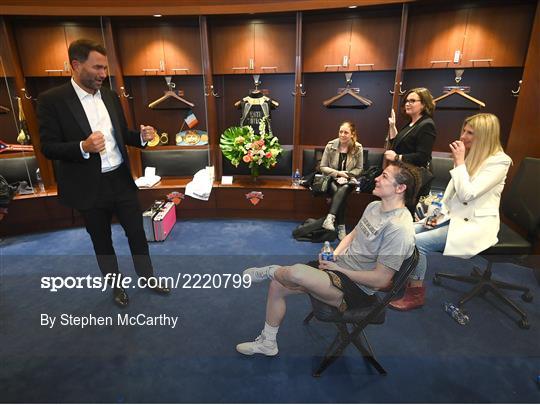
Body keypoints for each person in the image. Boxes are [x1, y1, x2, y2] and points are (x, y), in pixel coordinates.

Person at [38, 39, 170, 308]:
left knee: (136, 233)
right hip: (88, 186)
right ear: (76, 65)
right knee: (101, 240)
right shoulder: (52, 100)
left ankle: (147, 277)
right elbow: (48, 147)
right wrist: (82, 147)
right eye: (97, 67)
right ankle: (116, 287)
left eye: (105, 68)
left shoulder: (109, 95)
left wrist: (142, 137)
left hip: (120, 179)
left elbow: (120, 135)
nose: (103, 74)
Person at [236, 161, 418, 356]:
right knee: (277, 285)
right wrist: (334, 255)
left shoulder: (399, 228)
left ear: (400, 188)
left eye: (384, 176)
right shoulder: (374, 206)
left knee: (294, 272)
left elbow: (382, 280)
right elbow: (352, 235)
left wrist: (339, 269)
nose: (376, 178)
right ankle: (268, 344)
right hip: (338, 268)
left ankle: (269, 269)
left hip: (356, 291)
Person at [389, 113, 512, 311]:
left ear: (485, 135)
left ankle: (415, 292)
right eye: (464, 130)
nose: (463, 136)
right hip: (453, 216)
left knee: (417, 244)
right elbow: (451, 195)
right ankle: (400, 278)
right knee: (405, 231)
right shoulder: (472, 155)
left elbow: (467, 195)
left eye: (470, 133)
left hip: (475, 224)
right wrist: (432, 216)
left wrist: (459, 163)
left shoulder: (500, 161)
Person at [384, 87, 436, 197]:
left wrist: (397, 157)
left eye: (412, 101)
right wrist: (393, 126)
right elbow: (400, 145)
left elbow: (423, 156)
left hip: (414, 180)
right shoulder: (411, 123)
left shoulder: (427, 125)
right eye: (407, 101)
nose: (407, 104)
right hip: (404, 176)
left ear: (424, 104)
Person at [320, 121, 363, 240]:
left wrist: (346, 176)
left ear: (352, 134)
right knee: (338, 190)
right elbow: (322, 167)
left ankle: (330, 218)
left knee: (343, 188)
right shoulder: (330, 145)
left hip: (349, 181)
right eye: (341, 132)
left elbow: (359, 169)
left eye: (346, 132)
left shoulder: (358, 147)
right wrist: (338, 173)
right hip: (332, 179)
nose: (342, 134)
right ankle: (341, 226)